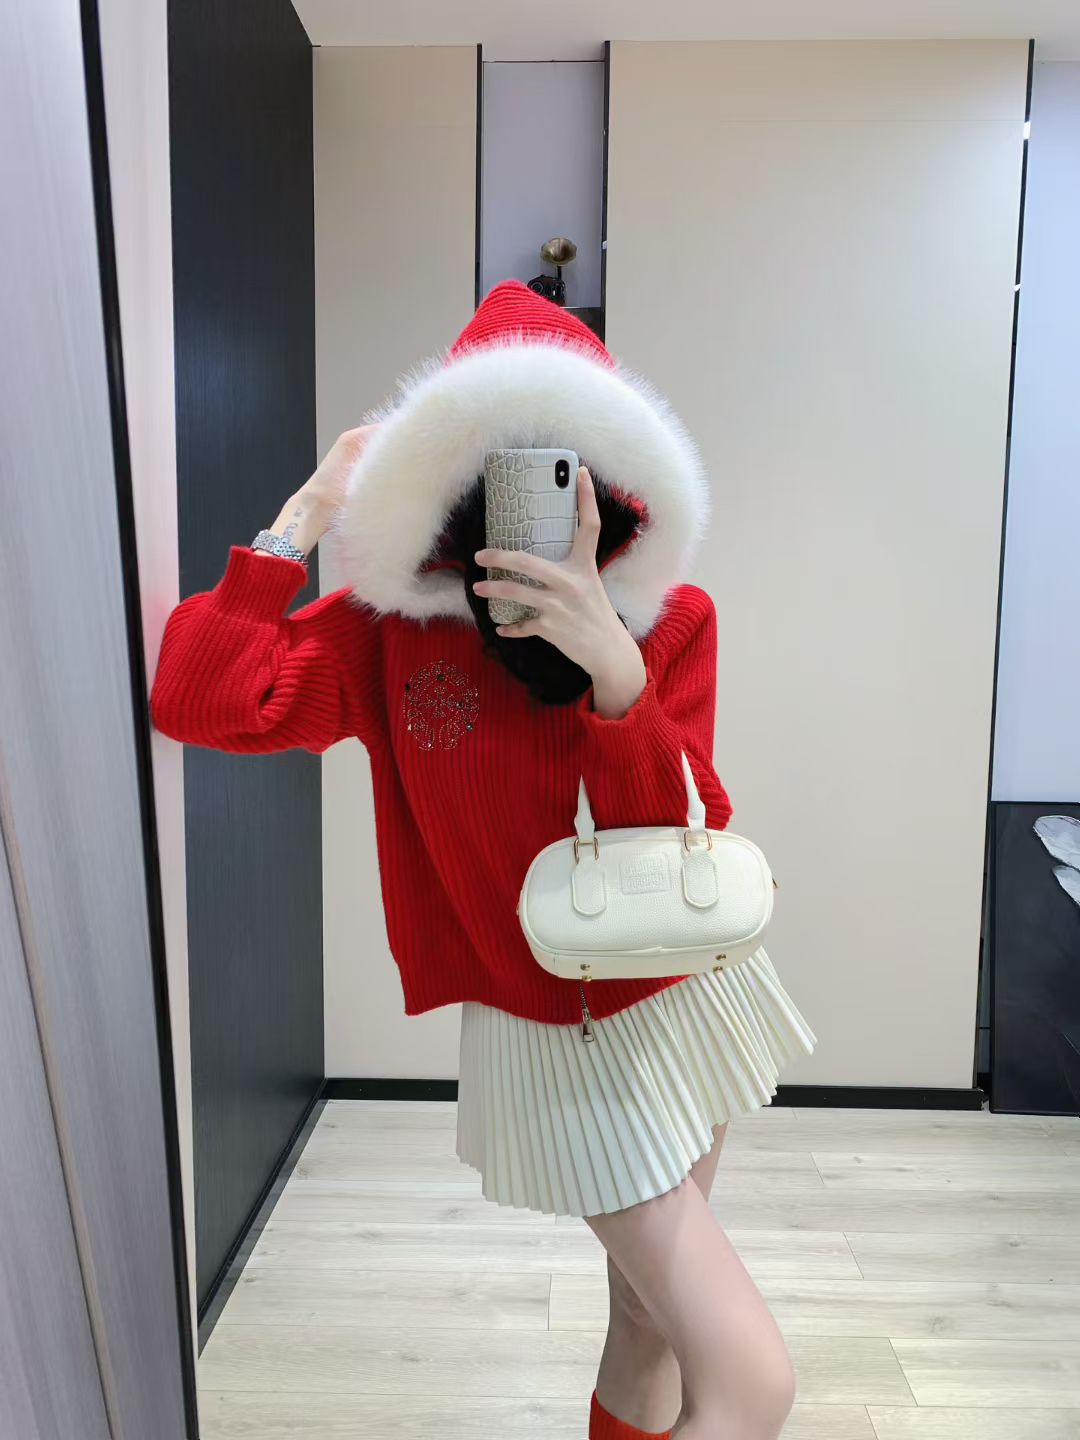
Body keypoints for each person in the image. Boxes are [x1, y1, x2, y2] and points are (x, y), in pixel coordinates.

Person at [152, 280, 815, 1439]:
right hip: (555, 1035)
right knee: (754, 1385)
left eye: (559, 467)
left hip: (685, 993)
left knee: (649, 1326)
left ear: (608, 478)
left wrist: (613, 668)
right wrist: (310, 508)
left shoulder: (671, 620)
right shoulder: (390, 636)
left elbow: (690, 821)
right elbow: (200, 698)